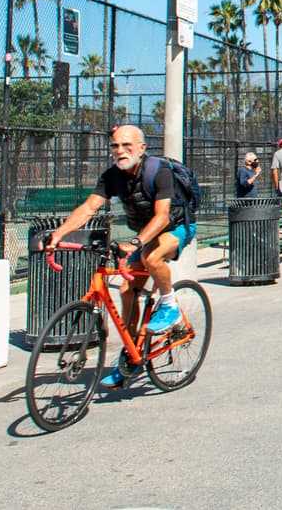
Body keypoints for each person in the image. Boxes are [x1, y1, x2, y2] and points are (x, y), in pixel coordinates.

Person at [45, 124, 196, 387]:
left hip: (176, 226)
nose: (120, 151)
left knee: (151, 258)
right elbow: (88, 208)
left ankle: (169, 304)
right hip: (145, 234)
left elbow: (162, 217)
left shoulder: (157, 172)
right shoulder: (112, 176)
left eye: (127, 146)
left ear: (141, 148)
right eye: (115, 146)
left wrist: (135, 242)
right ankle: (131, 355)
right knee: (127, 290)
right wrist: (59, 234)